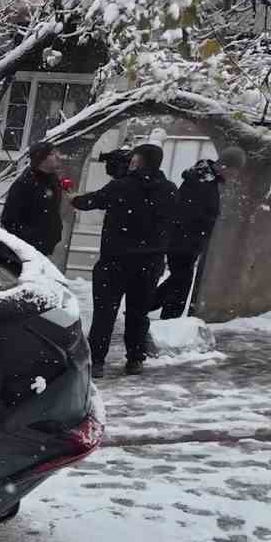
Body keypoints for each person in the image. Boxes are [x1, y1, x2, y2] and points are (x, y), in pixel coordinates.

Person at [70, 143, 176, 378]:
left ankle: (96, 361)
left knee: (105, 313)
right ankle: (135, 359)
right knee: (138, 313)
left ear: (137, 160)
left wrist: (72, 198)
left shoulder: (122, 186)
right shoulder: (169, 189)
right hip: (149, 264)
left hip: (115, 262)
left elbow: (90, 201)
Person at [157, 146, 244, 318]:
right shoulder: (201, 181)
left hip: (187, 240)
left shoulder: (206, 179)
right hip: (183, 241)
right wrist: (199, 234)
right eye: (235, 172)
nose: (235, 177)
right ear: (225, 166)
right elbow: (190, 213)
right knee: (181, 281)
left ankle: (160, 312)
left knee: (179, 280)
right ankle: (159, 312)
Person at [0, 141, 67, 257]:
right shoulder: (24, 184)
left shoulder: (52, 180)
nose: (57, 156)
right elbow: (8, 220)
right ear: (41, 159)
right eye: (52, 153)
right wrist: (32, 239)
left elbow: (52, 212)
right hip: (25, 252)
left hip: (44, 249)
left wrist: (54, 232)